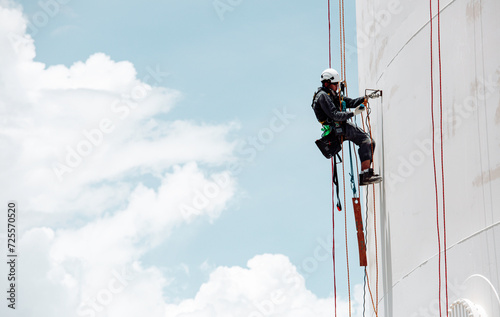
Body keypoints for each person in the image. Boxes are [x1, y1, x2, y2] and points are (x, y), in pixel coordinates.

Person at [312, 68, 382, 186]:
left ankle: (366, 174)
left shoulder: (330, 94)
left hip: (339, 127)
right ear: (327, 83)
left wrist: (366, 98)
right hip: (336, 129)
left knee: (368, 142)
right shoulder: (323, 96)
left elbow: (350, 102)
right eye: (335, 84)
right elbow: (335, 115)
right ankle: (365, 175)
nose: (337, 86)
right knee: (366, 141)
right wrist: (354, 113)